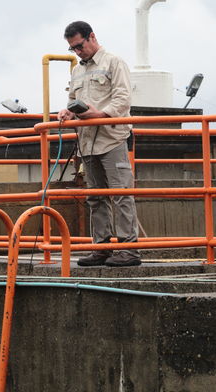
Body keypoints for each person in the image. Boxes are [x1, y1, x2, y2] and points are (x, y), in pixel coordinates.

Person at [58, 21, 141, 267]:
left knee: (120, 195)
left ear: (92, 37)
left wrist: (99, 115)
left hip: (111, 138)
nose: (77, 52)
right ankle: (101, 247)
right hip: (87, 142)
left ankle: (128, 250)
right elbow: (73, 99)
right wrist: (67, 112)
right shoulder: (77, 71)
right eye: (72, 49)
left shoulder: (114, 62)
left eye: (79, 46)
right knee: (95, 197)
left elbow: (123, 100)